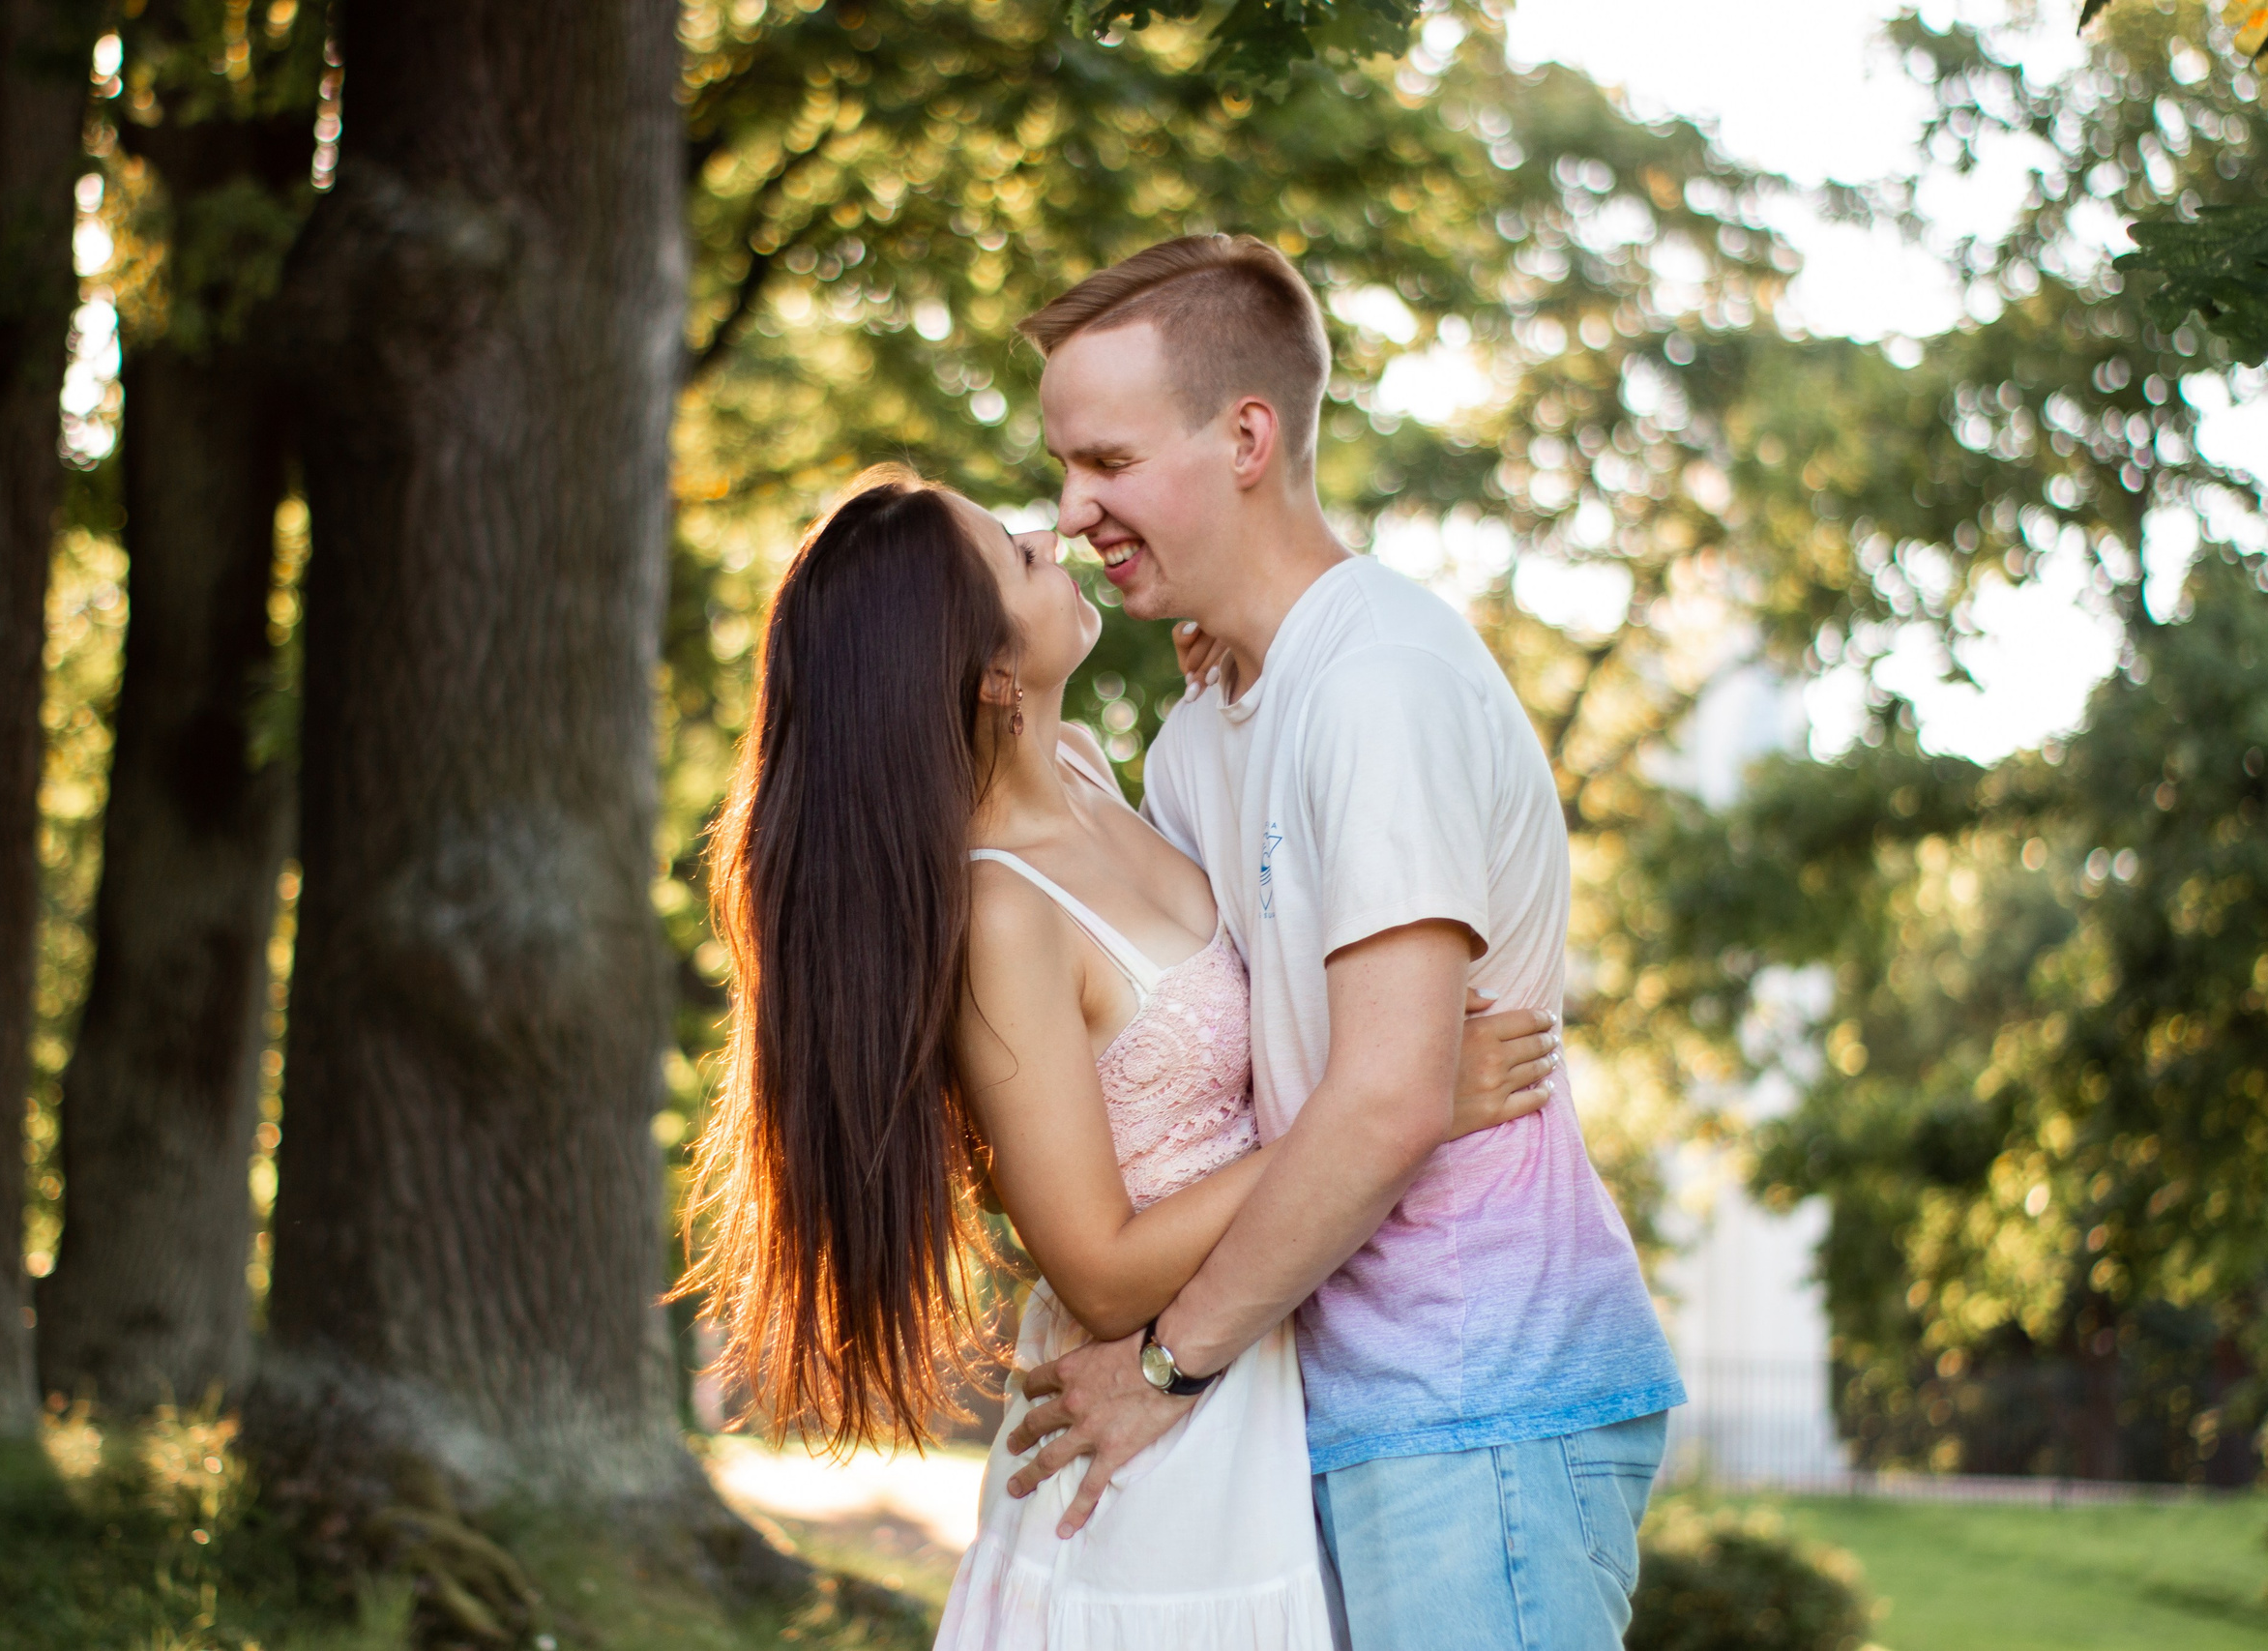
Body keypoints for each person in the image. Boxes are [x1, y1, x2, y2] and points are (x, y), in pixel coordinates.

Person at [678, 465, 1561, 1646]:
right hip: (1156, 1456)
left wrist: (1249, 679)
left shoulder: (1092, 769)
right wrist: (1393, 1102)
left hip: (1264, 1368)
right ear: (996, 675)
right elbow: (1094, 1266)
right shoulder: (1002, 913)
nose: (1056, 532)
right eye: (1020, 555)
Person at [998, 235, 1687, 1650]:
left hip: (1483, 1396)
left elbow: (1382, 1097)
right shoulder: (1200, 735)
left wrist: (1164, 1366)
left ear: (1247, 436)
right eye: (1066, 467)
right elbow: (1193, 1045)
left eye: (1109, 461)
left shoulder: (1380, 682)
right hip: (1330, 1395)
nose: (1072, 511)